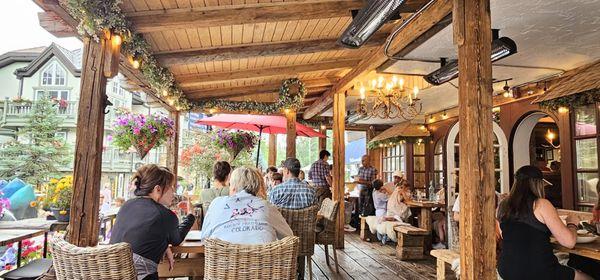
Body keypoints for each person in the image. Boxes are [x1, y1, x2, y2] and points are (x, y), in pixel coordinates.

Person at [497, 165, 592, 280]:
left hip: (507, 269)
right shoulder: (541, 204)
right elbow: (569, 242)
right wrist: (572, 224)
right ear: (538, 184)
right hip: (538, 271)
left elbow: (507, 235)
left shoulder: (502, 206)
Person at [110, 164, 196, 280]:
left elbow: (136, 237)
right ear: (157, 189)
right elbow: (176, 240)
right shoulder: (164, 215)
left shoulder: (126, 205)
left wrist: (163, 245)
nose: (173, 191)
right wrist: (191, 216)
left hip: (112, 273)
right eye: (171, 186)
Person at [200, 167, 293, 244]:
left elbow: (204, 239)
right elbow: (289, 237)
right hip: (263, 264)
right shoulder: (267, 207)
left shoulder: (217, 204)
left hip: (223, 264)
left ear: (233, 187)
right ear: (256, 187)